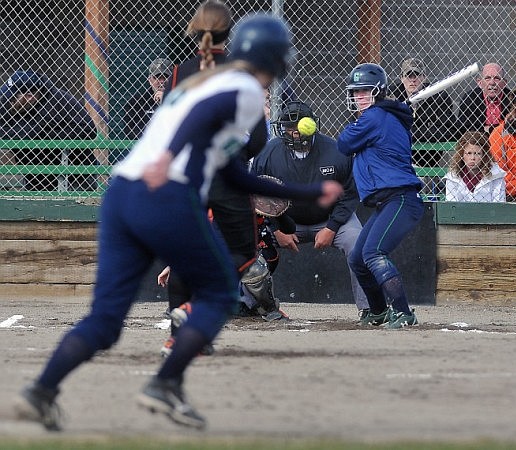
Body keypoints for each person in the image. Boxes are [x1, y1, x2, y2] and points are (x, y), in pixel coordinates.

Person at [12, 14, 343, 431]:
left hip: (122, 194)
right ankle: (166, 383)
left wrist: (307, 193)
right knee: (222, 290)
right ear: (274, 59)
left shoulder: (193, 82)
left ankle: (41, 392)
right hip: (164, 193)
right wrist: (170, 157)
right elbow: (204, 116)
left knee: (106, 320)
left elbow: (231, 174)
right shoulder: (240, 85)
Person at [156, 0, 285, 359]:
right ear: (231, 35)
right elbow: (258, 136)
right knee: (242, 255)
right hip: (228, 177)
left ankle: (178, 332)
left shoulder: (180, 73)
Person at [251, 100, 370, 317]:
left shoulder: (336, 151)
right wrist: (276, 228)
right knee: (244, 240)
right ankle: (248, 304)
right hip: (284, 223)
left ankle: (369, 309)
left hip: (329, 219)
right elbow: (257, 197)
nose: (294, 132)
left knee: (358, 243)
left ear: (312, 125)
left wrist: (332, 227)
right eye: (289, 127)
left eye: (299, 127)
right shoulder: (268, 153)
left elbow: (350, 194)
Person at [337, 63, 424, 329]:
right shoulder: (382, 115)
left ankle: (403, 312)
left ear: (379, 92)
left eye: (366, 91)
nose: (360, 96)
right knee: (358, 258)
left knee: (373, 252)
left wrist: (382, 110)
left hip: (400, 199)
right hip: (386, 202)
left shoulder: (375, 117)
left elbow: (343, 143)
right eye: (356, 92)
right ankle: (377, 311)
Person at [0, 69, 98, 191]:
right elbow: (10, 134)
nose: (9, 101)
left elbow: (89, 129)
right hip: (35, 177)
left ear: (30, 96)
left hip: (75, 174)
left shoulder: (59, 99)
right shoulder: (5, 102)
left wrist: (45, 134)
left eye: (13, 98)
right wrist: (33, 131)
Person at [389, 57, 456, 166]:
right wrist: (427, 130)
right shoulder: (393, 96)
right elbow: (387, 128)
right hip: (397, 159)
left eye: (417, 75)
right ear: (401, 78)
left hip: (427, 160)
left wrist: (405, 132)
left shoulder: (437, 96)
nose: (413, 80)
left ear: (424, 77)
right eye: (408, 76)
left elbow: (449, 130)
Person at [443, 131, 506, 202]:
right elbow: (451, 206)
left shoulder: (496, 176)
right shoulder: (453, 177)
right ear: (462, 155)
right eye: (469, 153)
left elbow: (499, 205)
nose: (472, 158)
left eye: (477, 154)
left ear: (484, 156)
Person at [124, 58, 173, 139]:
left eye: (165, 77)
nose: (161, 81)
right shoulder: (136, 102)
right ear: (149, 80)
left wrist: (165, 101)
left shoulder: (180, 100)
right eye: (157, 77)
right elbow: (130, 131)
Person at [457, 62, 511, 134]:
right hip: (478, 141)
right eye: (487, 78)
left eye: (497, 78)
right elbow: (465, 128)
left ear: (504, 83)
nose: (492, 83)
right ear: (480, 83)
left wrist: (489, 129)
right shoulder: (470, 98)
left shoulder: (512, 98)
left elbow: (513, 127)